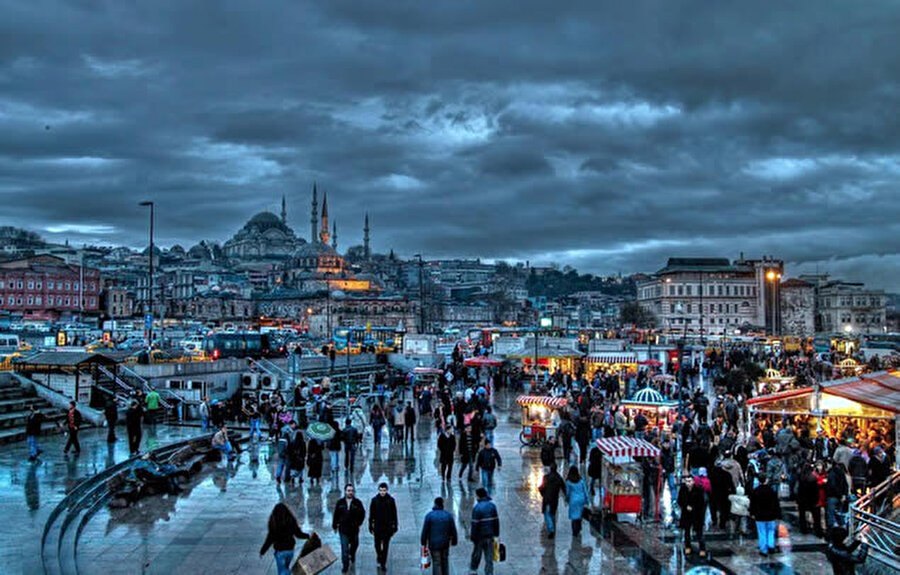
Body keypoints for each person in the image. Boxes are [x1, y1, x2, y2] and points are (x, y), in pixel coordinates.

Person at [259, 502, 311, 575]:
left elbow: (270, 539)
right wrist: (308, 536)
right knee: (286, 568)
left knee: (282, 571)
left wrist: (263, 550)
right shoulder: (291, 520)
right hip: (290, 550)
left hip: (280, 551)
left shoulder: (273, 523)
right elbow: (298, 534)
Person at [332, 483, 366, 574]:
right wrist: (335, 525)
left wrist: (358, 523)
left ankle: (352, 554)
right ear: (345, 491)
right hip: (343, 530)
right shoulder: (340, 503)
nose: (350, 492)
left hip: (354, 529)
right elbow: (336, 514)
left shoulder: (357, 503)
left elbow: (363, 514)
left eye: (351, 491)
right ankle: (345, 566)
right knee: (344, 549)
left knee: (355, 545)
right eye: (348, 491)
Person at [420, 497, 458, 575]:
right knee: (445, 561)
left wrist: (423, 542)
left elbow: (425, 531)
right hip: (445, 543)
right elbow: (453, 530)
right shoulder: (448, 515)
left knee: (436, 562)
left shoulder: (429, 516)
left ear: (435, 504)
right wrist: (454, 541)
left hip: (434, 543)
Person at [368, 482, 398, 571]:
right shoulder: (374, 500)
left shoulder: (391, 500)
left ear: (386, 490)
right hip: (378, 527)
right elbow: (371, 514)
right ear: (379, 490)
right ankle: (379, 555)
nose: (382, 492)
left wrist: (395, 526)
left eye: (384, 491)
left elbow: (394, 514)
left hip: (387, 527)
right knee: (377, 545)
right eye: (381, 490)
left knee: (385, 546)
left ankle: (383, 563)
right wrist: (370, 525)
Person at [749, 475, 782, 556]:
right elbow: (776, 504)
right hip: (771, 515)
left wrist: (752, 513)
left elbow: (752, 504)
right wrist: (778, 514)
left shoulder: (755, 491)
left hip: (759, 516)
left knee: (761, 532)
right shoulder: (771, 491)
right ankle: (771, 545)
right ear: (766, 480)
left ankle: (763, 549)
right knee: (771, 531)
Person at [469, 487, 499, 575]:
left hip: (479, 536)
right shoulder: (492, 506)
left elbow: (474, 524)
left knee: (476, 554)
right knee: (489, 556)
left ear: (478, 496)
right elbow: (496, 521)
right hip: (490, 535)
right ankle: (489, 572)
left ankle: (473, 569)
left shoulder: (477, 508)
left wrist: (473, 536)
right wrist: (496, 535)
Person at [677, 475, 707, 559]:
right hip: (686, 514)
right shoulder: (683, 490)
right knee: (687, 531)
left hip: (697, 514)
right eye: (687, 481)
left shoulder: (699, 490)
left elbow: (702, 503)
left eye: (690, 481)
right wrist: (686, 506)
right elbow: (680, 500)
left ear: (693, 481)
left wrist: (694, 508)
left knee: (699, 532)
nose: (688, 483)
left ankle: (702, 548)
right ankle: (688, 547)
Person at [539, 465, 566, 538]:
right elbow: (564, 488)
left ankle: (551, 529)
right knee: (552, 513)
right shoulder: (559, 478)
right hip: (554, 498)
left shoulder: (546, 477)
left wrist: (543, 494)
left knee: (547, 513)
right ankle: (552, 526)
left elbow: (541, 488)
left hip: (547, 498)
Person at [564, 465, 590, 537]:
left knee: (574, 516)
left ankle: (575, 531)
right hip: (581, 499)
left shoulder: (569, 481)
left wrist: (567, 499)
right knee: (580, 514)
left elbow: (568, 492)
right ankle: (579, 527)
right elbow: (585, 490)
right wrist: (587, 500)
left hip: (573, 500)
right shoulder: (581, 480)